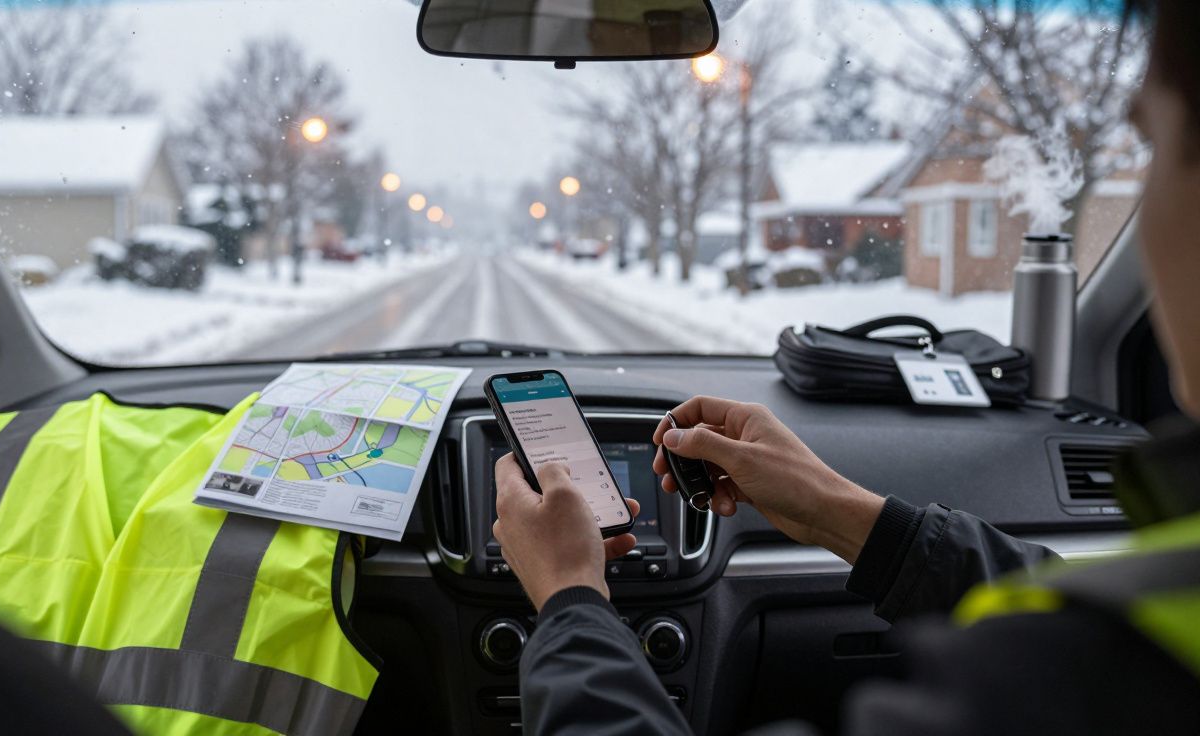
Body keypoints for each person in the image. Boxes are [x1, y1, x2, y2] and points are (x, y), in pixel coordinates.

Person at [491, 1, 1200, 733]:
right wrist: (833, 508)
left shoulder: (1055, 683)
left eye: (1148, 148)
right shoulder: (1125, 644)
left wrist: (572, 596)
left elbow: (1080, 632)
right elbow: (1069, 597)